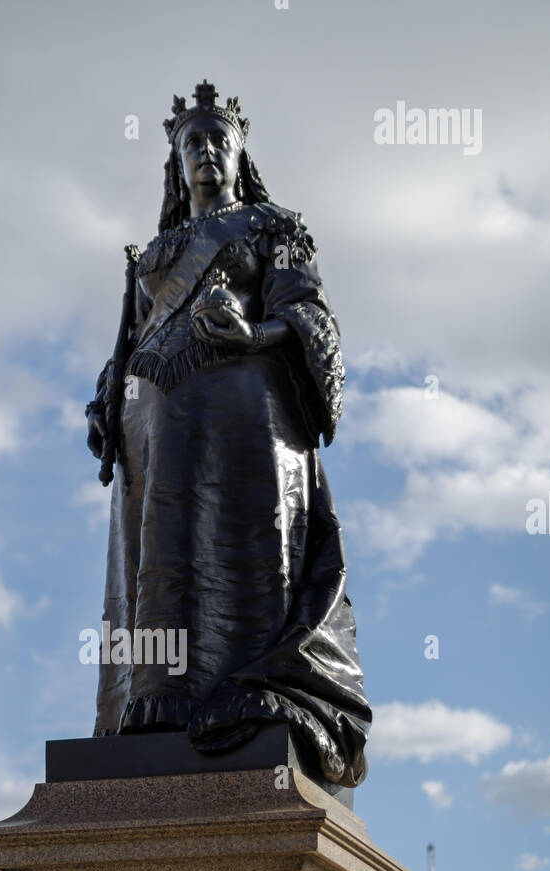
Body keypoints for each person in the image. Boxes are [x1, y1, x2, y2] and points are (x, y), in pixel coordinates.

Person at [86, 81, 370, 787]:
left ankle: (247, 692)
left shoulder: (273, 227)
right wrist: (104, 396)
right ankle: (158, 699)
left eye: (219, 140)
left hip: (243, 415)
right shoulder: (153, 252)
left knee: (238, 557)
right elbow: (132, 337)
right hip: (151, 427)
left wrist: (254, 332)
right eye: (193, 143)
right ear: (177, 162)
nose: (207, 152)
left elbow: (313, 321)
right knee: (162, 558)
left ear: (239, 152)